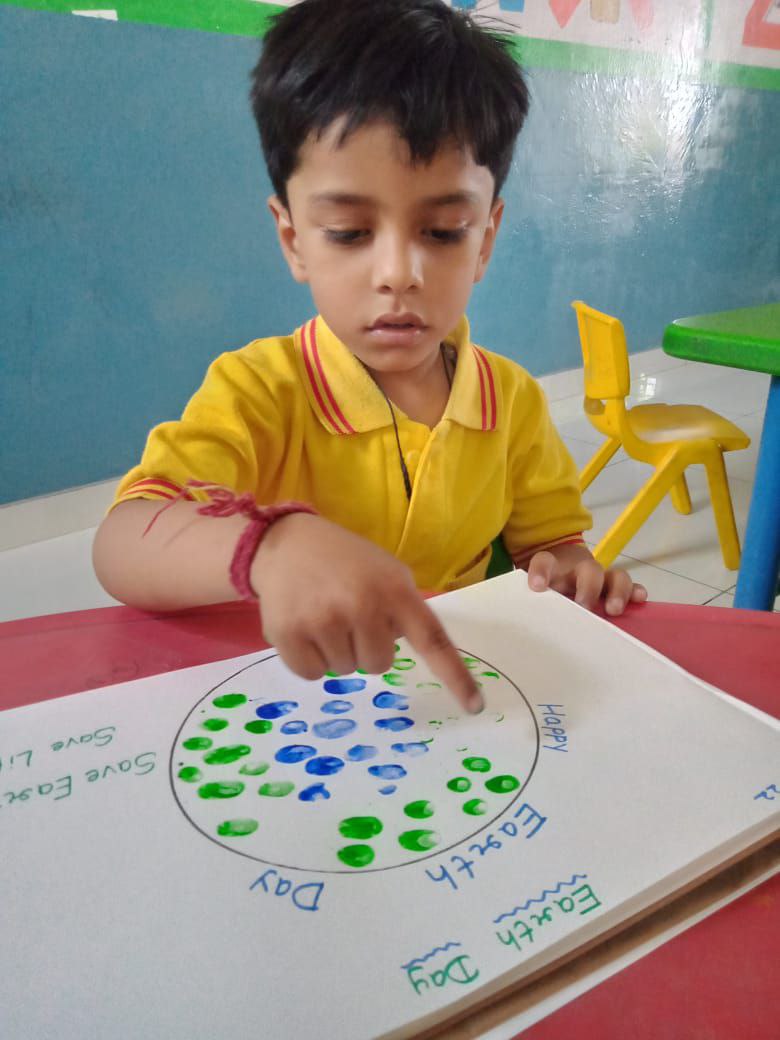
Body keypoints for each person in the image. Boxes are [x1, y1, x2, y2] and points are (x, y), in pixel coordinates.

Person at [93, 0, 646, 713]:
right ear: (294, 239)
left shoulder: (512, 399)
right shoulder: (258, 390)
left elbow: (554, 545)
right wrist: (269, 547)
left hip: (464, 706)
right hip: (300, 704)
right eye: (350, 233)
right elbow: (122, 543)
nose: (398, 273)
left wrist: (572, 574)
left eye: (443, 231)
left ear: (485, 239)